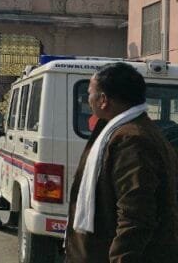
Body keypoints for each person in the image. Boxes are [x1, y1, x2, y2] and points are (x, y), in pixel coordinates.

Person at [65, 62, 178, 262]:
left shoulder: (133, 140)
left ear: (103, 100)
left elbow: (136, 214)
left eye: (90, 93)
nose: (87, 99)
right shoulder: (121, 130)